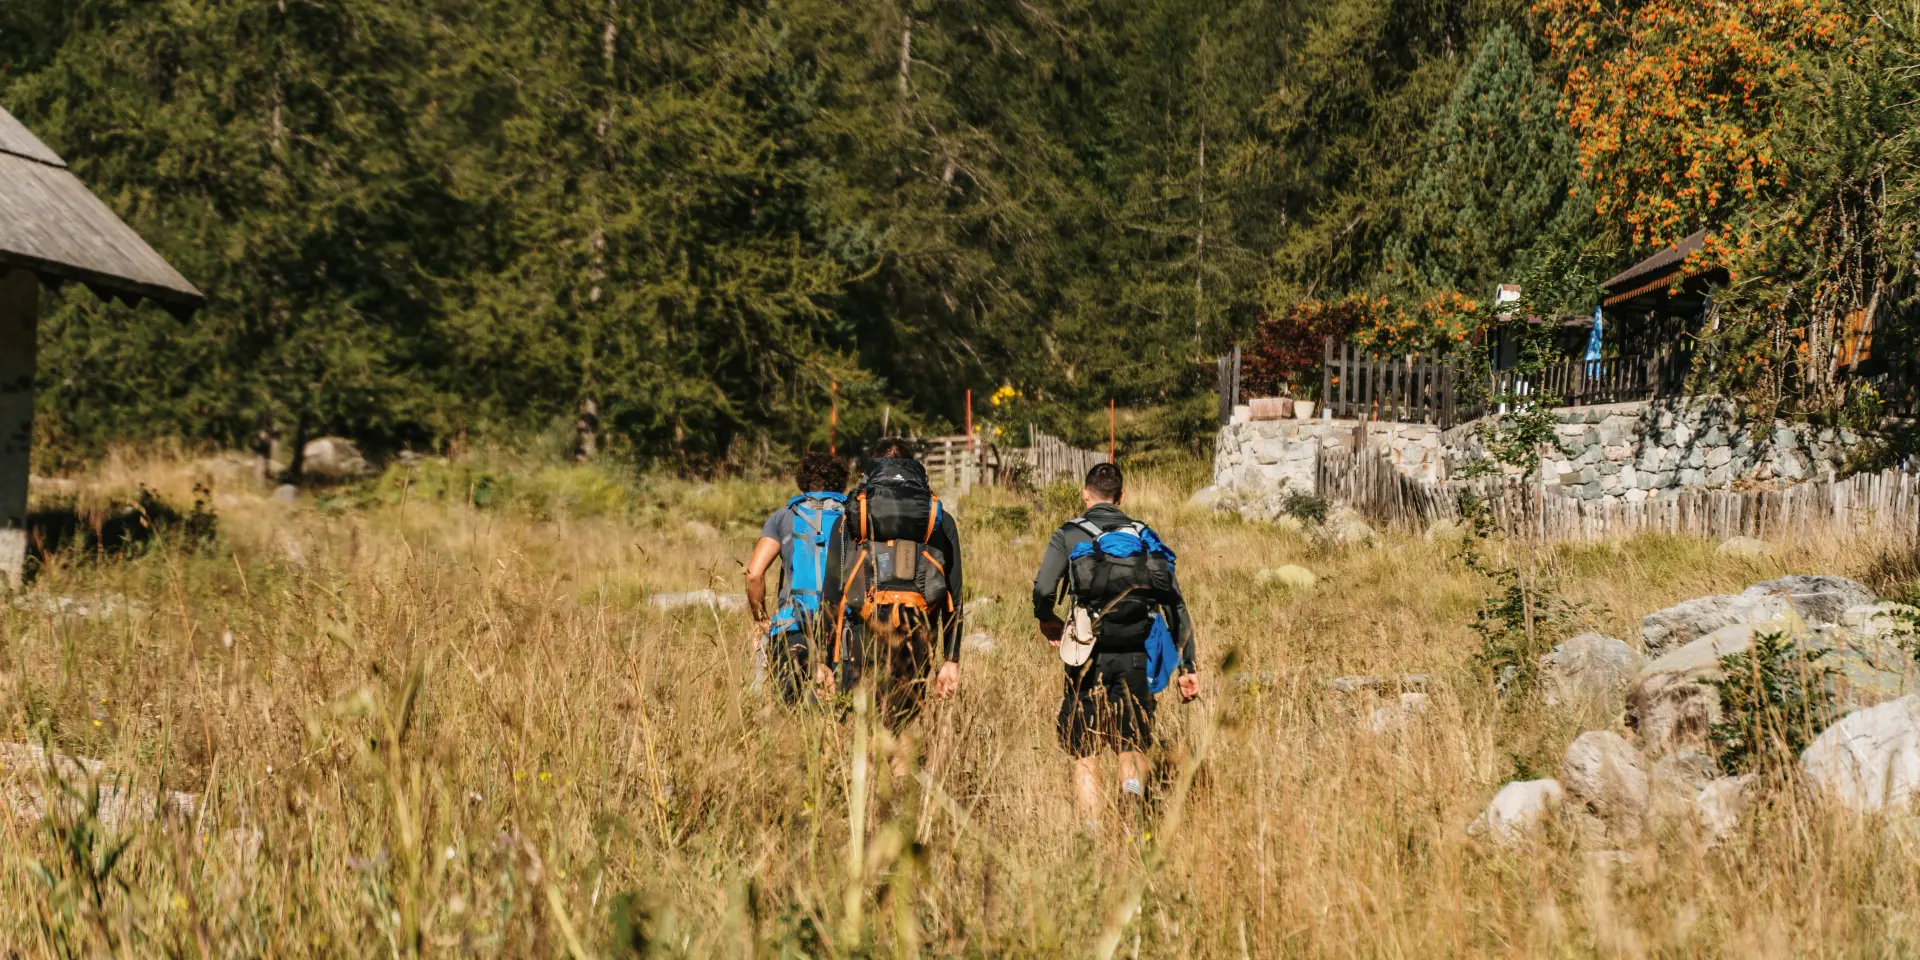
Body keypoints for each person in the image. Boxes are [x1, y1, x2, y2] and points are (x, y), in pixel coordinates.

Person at [1033, 461, 1199, 833]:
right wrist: (1188, 667)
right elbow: (1175, 605)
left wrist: (1047, 619)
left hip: (1086, 655)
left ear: (1085, 494)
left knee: (1086, 749)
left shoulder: (1069, 534)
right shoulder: (1144, 535)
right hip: (1136, 652)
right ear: (1121, 497)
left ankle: (1091, 838)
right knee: (1131, 742)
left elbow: (1044, 590)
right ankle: (1133, 817)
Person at [835, 438, 964, 750]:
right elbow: (954, 595)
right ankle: (901, 791)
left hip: (862, 634)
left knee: (866, 724)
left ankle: (866, 794)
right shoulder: (938, 517)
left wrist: (827, 660)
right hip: (917, 633)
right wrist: (952, 658)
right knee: (906, 723)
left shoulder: (854, 514)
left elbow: (833, 589)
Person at [746, 452, 851, 704]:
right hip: (843, 628)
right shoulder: (854, 516)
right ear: (840, 483)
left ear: (802, 482)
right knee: (840, 715)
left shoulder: (783, 516)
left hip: (791, 627)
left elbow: (754, 574)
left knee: (789, 715)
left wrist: (761, 620)